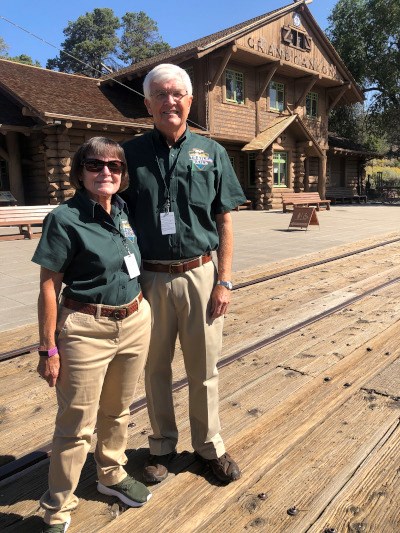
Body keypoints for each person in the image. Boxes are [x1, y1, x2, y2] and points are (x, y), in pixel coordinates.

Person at [122, 64, 246, 485]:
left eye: (177, 94)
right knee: (154, 366)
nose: (169, 101)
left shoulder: (212, 154)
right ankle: (161, 446)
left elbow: (225, 221)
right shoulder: (129, 155)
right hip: (149, 279)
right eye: (160, 94)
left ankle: (209, 446)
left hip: (201, 275)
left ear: (190, 101)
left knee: (204, 368)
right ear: (147, 104)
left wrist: (225, 280)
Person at [32, 137, 152, 533]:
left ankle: (111, 474)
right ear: (80, 171)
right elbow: (49, 286)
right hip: (86, 328)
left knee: (118, 409)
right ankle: (58, 509)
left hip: (134, 321)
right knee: (76, 425)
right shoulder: (64, 219)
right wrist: (48, 347)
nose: (106, 172)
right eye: (95, 165)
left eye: (114, 166)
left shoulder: (121, 210)